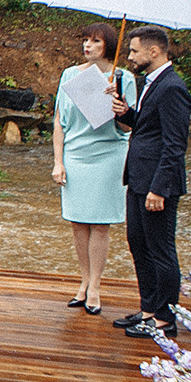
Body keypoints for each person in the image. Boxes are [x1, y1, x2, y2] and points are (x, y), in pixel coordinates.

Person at [112, 26, 191, 340]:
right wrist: (128, 114)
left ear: (154, 51)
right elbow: (149, 127)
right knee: (138, 244)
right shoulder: (150, 82)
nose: (130, 57)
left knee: (160, 249)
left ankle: (164, 319)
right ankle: (148, 309)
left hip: (158, 183)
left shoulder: (173, 87)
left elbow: (175, 144)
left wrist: (160, 188)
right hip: (138, 177)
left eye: (134, 51)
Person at [51, 24, 138, 316]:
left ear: (108, 46)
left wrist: (118, 105)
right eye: (85, 40)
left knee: (100, 223)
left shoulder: (124, 77)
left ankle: (96, 287)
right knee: (77, 221)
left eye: (95, 41)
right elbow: (59, 123)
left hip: (109, 154)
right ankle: (83, 281)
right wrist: (58, 161)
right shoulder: (69, 75)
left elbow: (129, 126)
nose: (88, 45)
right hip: (76, 154)